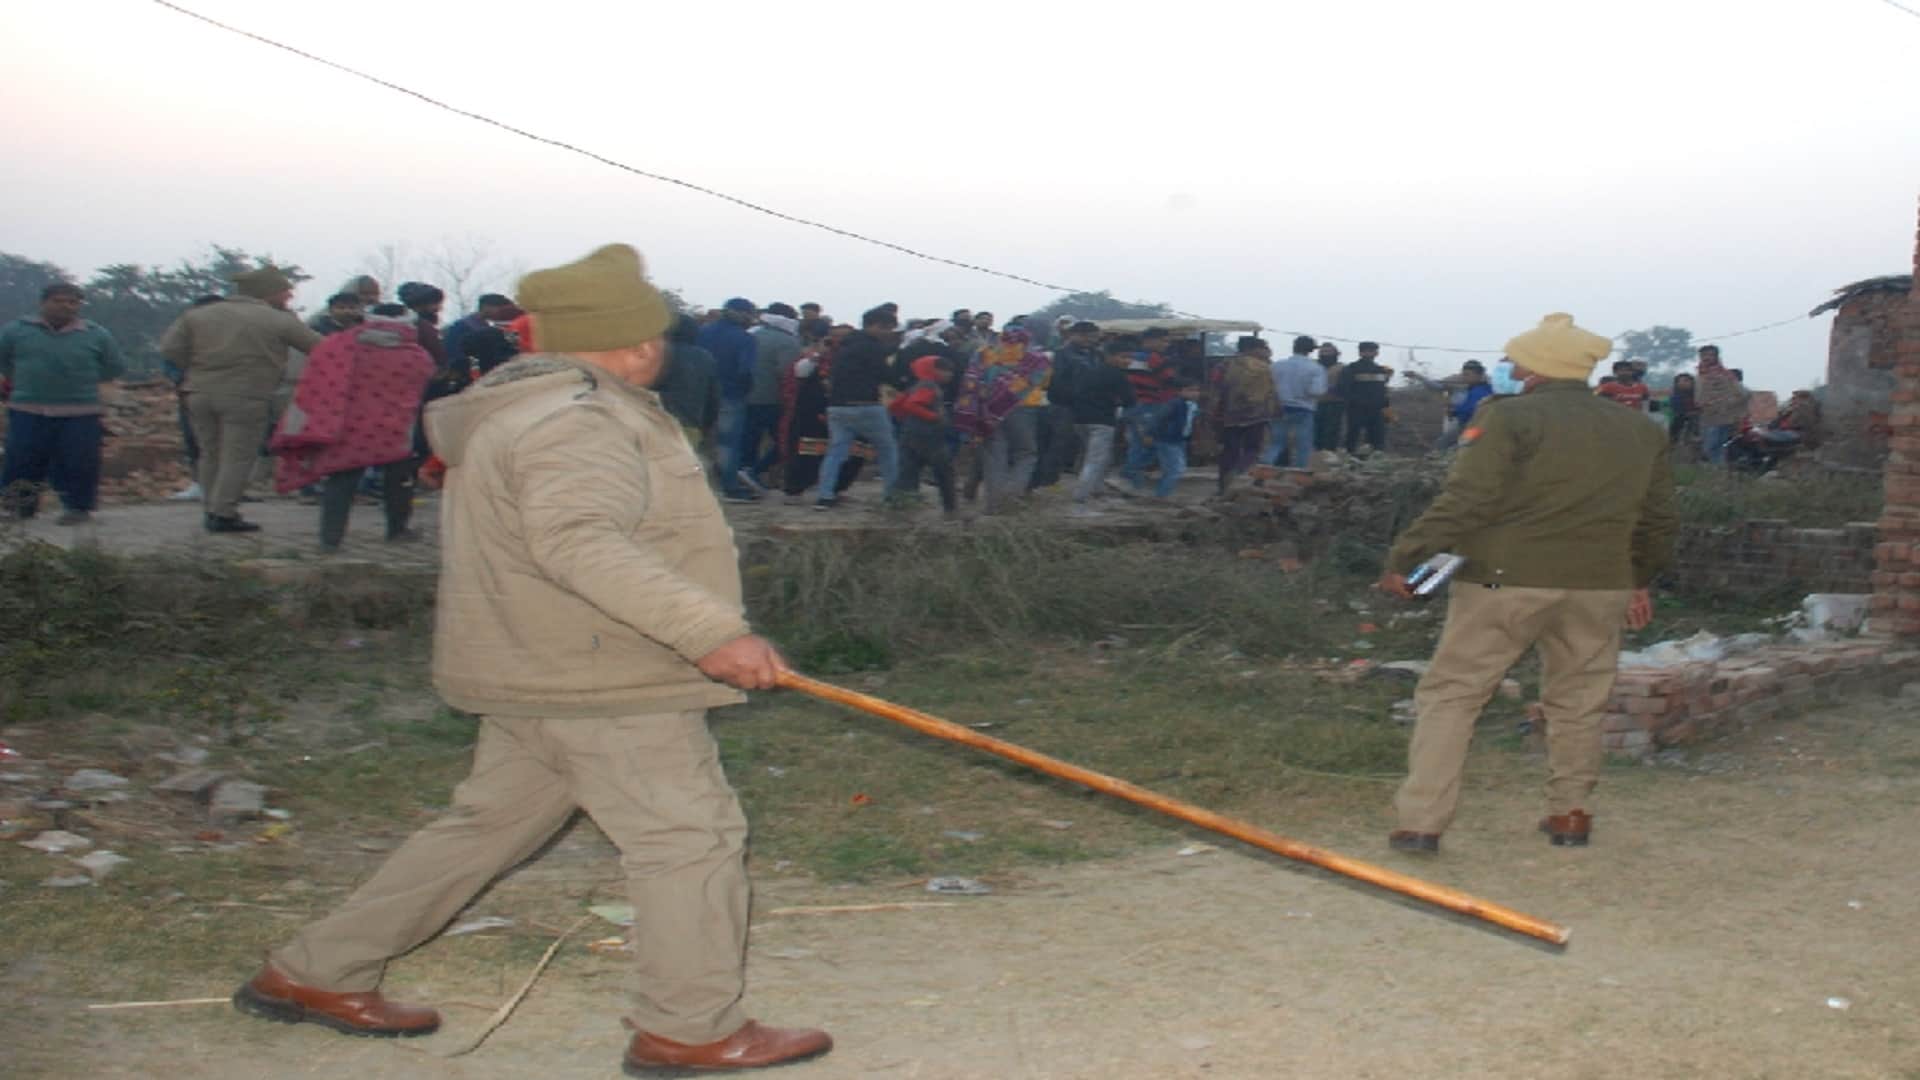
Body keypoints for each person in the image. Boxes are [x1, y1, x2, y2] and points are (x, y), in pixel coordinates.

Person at [232, 243, 833, 1075]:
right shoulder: (580, 423)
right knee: (689, 837)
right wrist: (708, 631)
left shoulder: (532, 408)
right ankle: (690, 1028)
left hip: (538, 663)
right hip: (599, 671)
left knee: (487, 827)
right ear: (638, 342)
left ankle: (314, 972)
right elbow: (579, 543)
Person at [1377, 313, 1674, 854]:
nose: (1509, 368)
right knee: (1579, 702)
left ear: (1538, 365)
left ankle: (1421, 823)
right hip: (1599, 584)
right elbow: (1657, 521)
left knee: (1452, 695)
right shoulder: (1640, 429)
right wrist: (1639, 579)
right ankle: (1570, 815)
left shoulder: (1508, 416)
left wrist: (1406, 556)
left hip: (1502, 582)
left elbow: (1468, 499)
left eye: (1516, 360)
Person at [160, 267, 324, 532]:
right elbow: (320, 347)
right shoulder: (277, 319)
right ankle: (224, 513)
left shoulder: (198, 315)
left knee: (209, 453)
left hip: (198, 392)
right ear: (268, 292)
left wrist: (194, 369)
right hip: (247, 394)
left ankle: (210, 508)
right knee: (237, 455)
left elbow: (169, 349)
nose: (289, 296)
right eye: (285, 291)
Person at [269, 303, 434, 551]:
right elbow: (425, 382)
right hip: (397, 427)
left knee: (342, 480)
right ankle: (397, 530)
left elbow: (318, 379)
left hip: (350, 426)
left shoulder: (341, 346)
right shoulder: (417, 356)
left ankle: (330, 539)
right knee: (398, 480)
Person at [0, 283, 126, 525]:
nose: (65, 306)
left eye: (72, 302)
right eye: (58, 301)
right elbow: (4, 361)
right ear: (43, 303)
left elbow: (114, 366)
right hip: (28, 408)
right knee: (22, 459)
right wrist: (22, 379)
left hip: (80, 411)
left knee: (78, 461)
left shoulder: (96, 334)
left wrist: (83, 381)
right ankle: (18, 508)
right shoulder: (17, 331)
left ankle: (78, 508)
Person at [814, 307, 900, 510]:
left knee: (836, 452)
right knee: (888, 450)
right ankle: (893, 495)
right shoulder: (872, 347)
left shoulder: (844, 347)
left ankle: (824, 495)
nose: (888, 333)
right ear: (874, 325)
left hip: (837, 407)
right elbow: (886, 375)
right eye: (886, 328)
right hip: (866, 406)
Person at [957, 326, 1050, 514]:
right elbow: (1044, 382)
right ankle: (1012, 495)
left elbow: (971, 380)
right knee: (1025, 453)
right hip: (1024, 408)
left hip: (989, 410)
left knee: (994, 456)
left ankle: (994, 505)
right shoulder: (1037, 358)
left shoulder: (984, 353)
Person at [779, 321, 866, 500]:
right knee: (808, 451)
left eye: (845, 337)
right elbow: (800, 372)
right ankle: (795, 489)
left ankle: (836, 488)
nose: (839, 341)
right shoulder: (816, 357)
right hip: (813, 411)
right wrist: (818, 354)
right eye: (835, 337)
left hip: (849, 408)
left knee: (852, 452)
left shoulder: (860, 357)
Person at [699, 298, 761, 502]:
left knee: (698, 441)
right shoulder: (745, 339)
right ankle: (729, 486)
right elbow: (745, 371)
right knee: (728, 443)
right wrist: (745, 391)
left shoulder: (702, 332)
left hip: (701, 394)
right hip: (730, 394)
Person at [1070, 341, 1137, 510]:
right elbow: (1130, 400)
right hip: (1103, 421)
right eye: (1123, 357)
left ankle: (1097, 489)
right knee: (1095, 459)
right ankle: (1081, 496)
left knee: (1098, 457)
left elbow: (1075, 392)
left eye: (1130, 357)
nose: (1127, 361)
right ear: (1109, 356)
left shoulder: (1089, 370)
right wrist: (1116, 402)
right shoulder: (1118, 375)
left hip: (1080, 420)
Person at [887, 354, 958, 514]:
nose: (950, 375)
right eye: (947, 371)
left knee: (908, 473)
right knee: (944, 471)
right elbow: (911, 405)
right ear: (934, 370)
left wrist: (905, 421)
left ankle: (901, 508)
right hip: (929, 437)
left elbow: (896, 405)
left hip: (910, 434)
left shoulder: (918, 385)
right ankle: (951, 509)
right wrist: (934, 417)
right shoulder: (929, 386)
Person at [741, 307, 801, 491]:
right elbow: (788, 373)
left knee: (749, 440)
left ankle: (744, 475)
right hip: (774, 399)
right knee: (788, 441)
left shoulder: (750, 335)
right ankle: (755, 472)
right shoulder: (787, 341)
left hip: (746, 396)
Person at [1036, 321, 1100, 488]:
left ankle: (1055, 479)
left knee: (1071, 444)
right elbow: (1058, 381)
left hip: (1084, 406)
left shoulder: (1094, 354)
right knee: (1057, 443)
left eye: (1093, 337)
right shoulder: (1061, 354)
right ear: (1073, 335)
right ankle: (1046, 482)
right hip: (1062, 405)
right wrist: (1075, 396)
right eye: (1085, 336)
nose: (1089, 340)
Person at [1213, 336, 1276, 492]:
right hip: (1256, 416)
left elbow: (1216, 388)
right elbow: (1270, 392)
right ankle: (1242, 476)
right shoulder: (1263, 367)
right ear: (1254, 349)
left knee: (1229, 450)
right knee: (1252, 449)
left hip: (1229, 415)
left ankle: (1224, 485)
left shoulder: (1224, 365)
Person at [1120, 329, 1177, 489]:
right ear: (1149, 340)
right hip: (1148, 406)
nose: (1166, 344)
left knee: (1138, 443)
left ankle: (1132, 476)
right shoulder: (1152, 358)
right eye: (1163, 340)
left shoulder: (1130, 358)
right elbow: (1170, 379)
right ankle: (1130, 471)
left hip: (1132, 405)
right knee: (1150, 443)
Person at [658, 314, 721, 452]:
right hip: (689, 424)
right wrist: (708, 426)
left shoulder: (657, 354)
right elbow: (712, 397)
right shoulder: (704, 357)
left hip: (655, 422)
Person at [1264, 335, 1325, 468]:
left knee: (1277, 442)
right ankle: (1300, 472)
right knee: (1303, 444)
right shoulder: (1315, 368)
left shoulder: (1277, 366)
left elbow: (1268, 387)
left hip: (1279, 407)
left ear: (1294, 348)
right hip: (1303, 408)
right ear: (1311, 350)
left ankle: (1266, 467)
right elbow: (1316, 391)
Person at [1405, 360, 1493, 450]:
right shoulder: (1458, 381)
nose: (1465, 377)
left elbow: (1470, 409)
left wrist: (1455, 411)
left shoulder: (1482, 389)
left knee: (1453, 445)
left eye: (1468, 374)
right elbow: (1437, 386)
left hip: (1472, 424)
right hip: (1460, 420)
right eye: (1464, 374)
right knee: (1452, 443)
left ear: (1478, 375)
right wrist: (1418, 377)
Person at [442, 293, 519, 377]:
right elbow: (454, 352)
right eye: (499, 308)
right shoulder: (461, 326)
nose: (501, 313)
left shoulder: (487, 327)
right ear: (486, 307)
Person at [1695, 345, 1748, 465]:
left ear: (1716, 357)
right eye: (1703, 355)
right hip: (1706, 414)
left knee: (1716, 443)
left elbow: (1743, 393)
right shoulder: (1700, 374)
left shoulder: (1726, 375)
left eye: (1710, 355)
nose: (1706, 358)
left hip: (1723, 415)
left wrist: (1727, 404)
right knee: (1710, 444)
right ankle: (1715, 469)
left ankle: (1716, 468)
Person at [1337, 341, 1391, 454]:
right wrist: (1353, 402)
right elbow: (1343, 389)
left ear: (1376, 353)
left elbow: (1383, 390)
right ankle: (1349, 456)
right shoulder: (1351, 369)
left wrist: (1386, 408)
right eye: (1367, 351)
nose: (1370, 353)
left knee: (1377, 437)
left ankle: (1374, 458)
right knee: (1353, 435)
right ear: (1360, 353)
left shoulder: (1380, 370)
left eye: (1373, 351)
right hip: (1356, 408)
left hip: (1376, 409)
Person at [1151, 378, 1200, 497]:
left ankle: (1162, 494)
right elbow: (1159, 418)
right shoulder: (1175, 404)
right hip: (1168, 440)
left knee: (1171, 469)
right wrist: (1153, 434)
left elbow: (1190, 423)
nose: (1194, 393)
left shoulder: (1193, 406)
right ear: (1180, 391)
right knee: (1176, 469)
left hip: (1180, 440)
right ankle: (1162, 495)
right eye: (1190, 390)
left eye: (1196, 390)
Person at [397, 283, 448, 369]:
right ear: (420, 304)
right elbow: (440, 357)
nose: (439, 308)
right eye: (435, 303)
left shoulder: (400, 324)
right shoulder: (423, 328)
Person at [1312, 342, 1346, 451]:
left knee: (1332, 431)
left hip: (1335, 404)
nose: (1325, 354)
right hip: (1315, 404)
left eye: (1328, 352)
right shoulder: (1312, 366)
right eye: (1323, 352)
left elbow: (1345, 386)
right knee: (1316, 431)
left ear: (1335, 353)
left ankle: (1329, 453)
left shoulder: (1342, 368)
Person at [1665, 372, 1700, 448]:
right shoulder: (1675, 394)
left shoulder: (1697, 393)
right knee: (1677, 421)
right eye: (1680, 381)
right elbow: (1674, 406)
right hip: (1680, 416)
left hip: (1696, 416)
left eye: (1686, 381)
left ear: (1692, 382)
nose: (1682, 383)